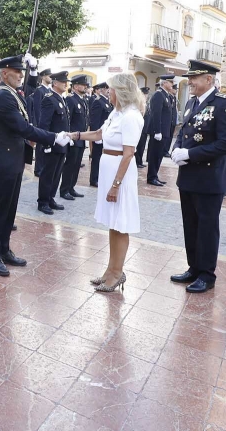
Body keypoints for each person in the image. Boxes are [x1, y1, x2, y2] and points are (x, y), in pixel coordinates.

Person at [0, 54, 70, 277]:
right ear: (5, 74)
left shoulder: (13, 93)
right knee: (0, 209)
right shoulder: (3, 96)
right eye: (17, 72)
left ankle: (5, 249)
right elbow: (23, 127)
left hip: (13, 159)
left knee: (10, 208)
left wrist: (34, 71)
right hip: (4, 160)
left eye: (22, 72)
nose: (20, 76)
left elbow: (29, 93)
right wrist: (53, 137)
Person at [71, 73, 145, 292]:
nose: (107, 92)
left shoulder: (131, 116)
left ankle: (117, 273)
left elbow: (129, 154)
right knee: (114, 223)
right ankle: (110, 270)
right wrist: (74, 135)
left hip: (119, 173)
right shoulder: (117, 112)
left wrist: (116, 185)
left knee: (121, 224)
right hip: (109, 168)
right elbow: (98, 134)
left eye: (111, 89)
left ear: (121, 91)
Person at [169, 60, 226, 293]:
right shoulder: (191, 102)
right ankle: (194, 268)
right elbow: (184, 131)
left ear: (208, 79)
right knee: (191, 225)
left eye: (194, 78)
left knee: (207, 228)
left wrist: (190, 153)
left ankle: (207, 274)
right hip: (187, 177)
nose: (190, 82)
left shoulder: (224, 103)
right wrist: (176, 149)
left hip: (209, 179)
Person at [37, 71, 70, 214]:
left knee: (57, 174)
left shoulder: (61, 98)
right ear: (55, 83)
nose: (66, 84)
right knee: (47, 174)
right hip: (52, 144)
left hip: (62, 144)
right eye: (63, 82)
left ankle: (51, 198)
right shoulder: (49, 99)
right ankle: (43, 201)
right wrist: (46, 144)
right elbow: (44, 124)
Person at [60, 74, 89, 200]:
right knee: (70, 165)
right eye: (83, 85)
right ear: (76, 86)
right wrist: (69, 136)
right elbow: (67, 119)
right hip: (73, 139)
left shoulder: (82, 100)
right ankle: (64, 189)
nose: (85, 87)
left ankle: (71, 187)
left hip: (81, 139)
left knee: (76, 165)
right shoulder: (71, 100)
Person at [146, 74, 174, 186]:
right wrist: (157, 131)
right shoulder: (158, 95)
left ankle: (155, 175)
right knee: (154, 155)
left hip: (164, 131)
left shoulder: (165, 95)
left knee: (159, 155)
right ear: (164, 83)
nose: (172, 84)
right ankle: (151, 177)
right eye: (170, 82)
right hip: (158, 132)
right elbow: (156, 114)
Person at [89, 82, 113, 187]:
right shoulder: (98, 102)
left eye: (109, 88)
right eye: (106, 88)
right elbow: (94, 121)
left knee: (103, 158)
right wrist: (96, 136)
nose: (108, 90)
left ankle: (100, 177)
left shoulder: (107, 102)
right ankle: (94, 179)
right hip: (100, 136)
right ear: (102, 89)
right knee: (96, 158)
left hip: (106, 135)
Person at [31, 68, 52, 176]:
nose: (50, 78)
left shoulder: (49, 90)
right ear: (43, 77)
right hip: (41, 123)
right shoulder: (39, 90)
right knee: (40, 147)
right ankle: (38, 169)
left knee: (46, 147)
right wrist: (39, 124)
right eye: (48, 76)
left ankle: (43, 166)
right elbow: (37, 108)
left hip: (47, 123)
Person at [135, 86, 151, 168]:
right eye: (144, 94)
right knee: (139, 145)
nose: (146, 96)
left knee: (142, 146)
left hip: (145, 129)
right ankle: (137, 161)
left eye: (146, 94)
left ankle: (140, 161)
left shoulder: (146, 103)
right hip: (139, 129)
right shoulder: (139, 103)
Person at [164, 83, 179, 157]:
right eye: (175, 89)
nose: (176, 91)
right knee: (167, 137)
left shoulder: (174, 98)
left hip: (173, 120)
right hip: (170, 121)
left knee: (170, 137)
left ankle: (166, 150)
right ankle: (165, 150)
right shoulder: (169, 97)